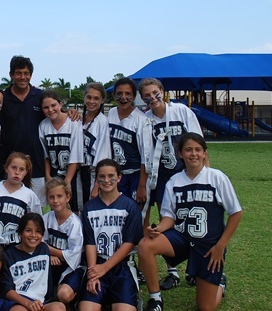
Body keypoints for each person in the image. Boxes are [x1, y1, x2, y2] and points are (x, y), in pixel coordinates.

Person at [138, 133, 242, 311]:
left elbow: (236, 213)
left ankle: (220, 284)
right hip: (183, 237)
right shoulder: (174, 181)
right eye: (188, 150)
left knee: (206, 307)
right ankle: (155, 299)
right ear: (180, 154)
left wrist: (220, 246)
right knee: (145, 245)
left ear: (204, 153)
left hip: (209, 245)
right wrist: (159, 229)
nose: (193, 154)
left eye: (198, 150)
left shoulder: (216, 177)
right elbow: (170, 216)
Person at [140, 78, 204, 289]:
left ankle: (196, 267)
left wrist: (205, 173)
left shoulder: (181, 111)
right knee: (166, 220)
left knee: (192, 219)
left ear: (162, 91)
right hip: (162, 177)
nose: (152, 98)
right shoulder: (145, 119)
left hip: (186, 173)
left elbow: (199, 143)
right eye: (146, 96)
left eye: (154, 93)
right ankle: (172, 271)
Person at [79, 159, 143, 311]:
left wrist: (105, 268)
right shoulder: (89, 208)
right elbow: (90, 243)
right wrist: (93, 272)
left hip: (122, 265)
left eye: (111, 176)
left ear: (119, 177)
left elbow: (129, 243)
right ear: (96, 179)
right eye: (102, 176)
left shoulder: (130, 206)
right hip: (97, 262)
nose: (106, 180)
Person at [0, 55, 47, 204]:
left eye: (26, 73)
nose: (22, 77)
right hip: (9, 166)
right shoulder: (3, 98)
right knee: (10, 207)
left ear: (31, 75)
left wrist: (70, 113)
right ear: (11, 74)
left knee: (37, 209)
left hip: (37, 165)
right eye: (18, 73)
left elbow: (56, 114)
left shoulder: (39, 96)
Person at [0, 213, 66, 311]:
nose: (33, 235)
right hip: (16, 301)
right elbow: (7, 290)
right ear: (20, 233)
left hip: (39, 302)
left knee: (59, 307)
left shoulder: (44, 249)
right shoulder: (8, 256)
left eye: (38, 231)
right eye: (28, 231)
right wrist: (28, 303)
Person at [0, 152, 43, 247]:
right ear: (6, 168)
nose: (17, 172)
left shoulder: (30, 195)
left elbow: (37, 225)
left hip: (16, 246)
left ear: (26, 172)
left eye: (21, 169)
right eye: (14, 168)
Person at [106, 78, 150, 205]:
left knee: (135, 213)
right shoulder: (112, 113)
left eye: (128, 94)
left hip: (135, 174)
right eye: (119, 93)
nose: (123, 97)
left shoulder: (141, 120)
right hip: (116, 174)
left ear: (134, 96)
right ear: (114, 95)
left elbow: (146, 156)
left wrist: (142, 186)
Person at [38, 90, 84, 212]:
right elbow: (46, 155)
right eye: (46, 107)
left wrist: (68, 180)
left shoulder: (74, 123)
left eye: (53, 105)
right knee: (56, 206)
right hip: (54, 172)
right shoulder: (43, 126)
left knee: (73, 208)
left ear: (60, 104)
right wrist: (48, 176)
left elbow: (76, 154)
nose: (50, 110)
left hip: (72, 174)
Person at [41, 178, 84, 305]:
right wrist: (50, 255)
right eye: (51, 197)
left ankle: (78, 291)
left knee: (64, 295)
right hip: (52, 262)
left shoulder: (74, 223)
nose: (55, 201)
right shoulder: (46, 218)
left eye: (59, 196)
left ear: (68, 197)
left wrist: (51, 251)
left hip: (72, 266)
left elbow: (74, 254)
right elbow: (38, 242)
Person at [81, 82, 111, 204]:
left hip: (93, 174)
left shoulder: (102, 122)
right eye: (89, 97)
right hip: (80, 172)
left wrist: (97, 185)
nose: (91, 101)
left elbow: (103, 155)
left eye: (96, 98)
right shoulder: (79, 119)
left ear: (102, 100)